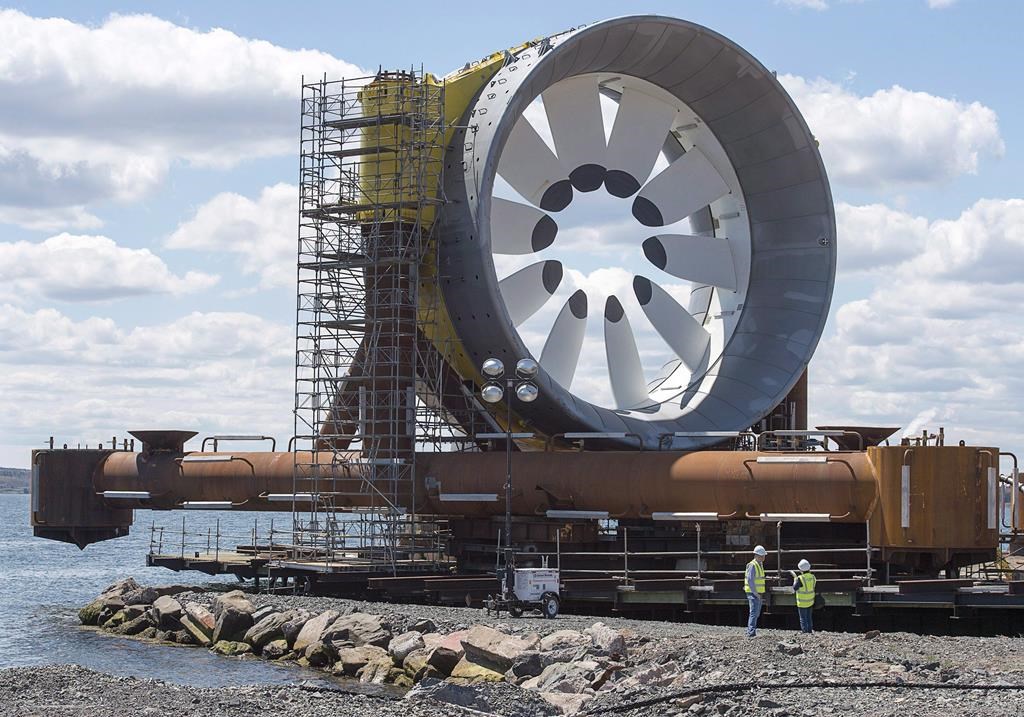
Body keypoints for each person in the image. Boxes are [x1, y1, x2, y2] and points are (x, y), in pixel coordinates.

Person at [744, 545, 767, 637]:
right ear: (757, 555)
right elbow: (750, 580)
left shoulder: (759, 565)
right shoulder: (753, 565)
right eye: (762, 556)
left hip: (758, 593)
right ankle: (751, 632)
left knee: (756, 613)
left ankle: (751, 631)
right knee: (753, 613)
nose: (764, 557)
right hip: (753, 593)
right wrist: (755, 593)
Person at [791, 558, 817, 634]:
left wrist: (795, 579)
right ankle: (809, 631)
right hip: (810, 601)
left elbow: (794, 588)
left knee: (803, 618)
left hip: (802, 602)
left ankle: (804, 632)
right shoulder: (813, 577)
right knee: (809, 617)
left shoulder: (800, 578)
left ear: (800, 569)